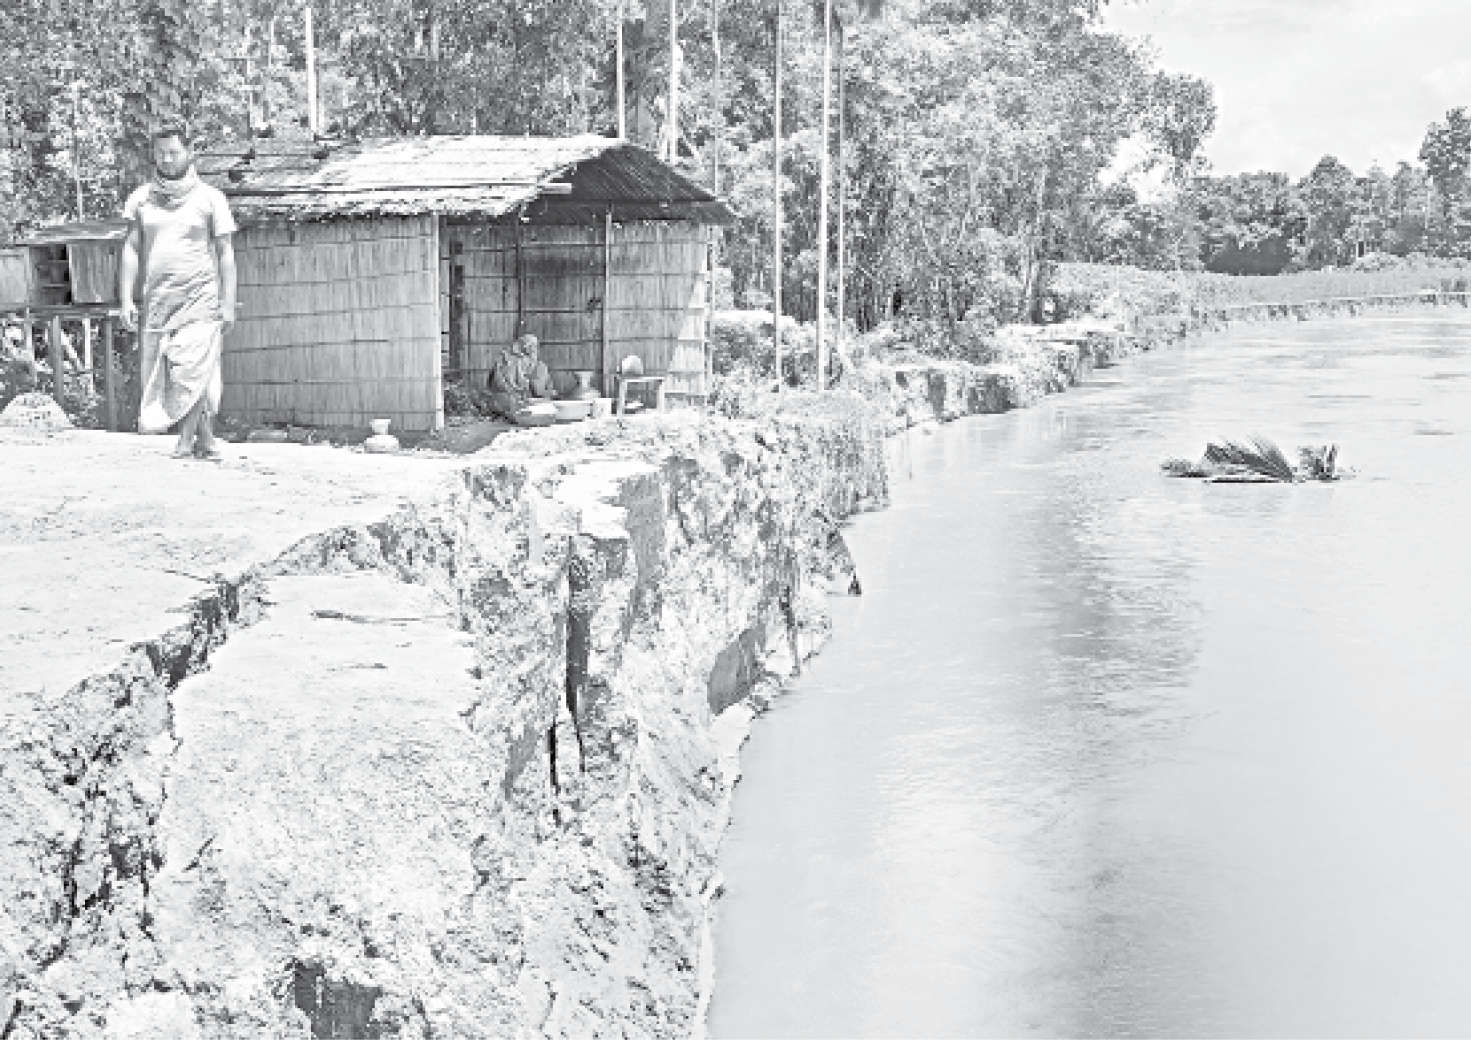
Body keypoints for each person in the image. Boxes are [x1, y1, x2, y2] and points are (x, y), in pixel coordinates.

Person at [118, 122, 238, 459]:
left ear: (190, 152)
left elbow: (226, 253)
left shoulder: (210, 199)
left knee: (191, 369)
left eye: (174, 152)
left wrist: (228, 303)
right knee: (170, 374)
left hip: (200, 299)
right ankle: (207, 439)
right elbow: (131, 248)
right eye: (160, 153)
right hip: (158, 301)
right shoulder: (141, 199)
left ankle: (185, 442)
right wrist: (126, 298)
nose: (167, 159)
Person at [485, 333, 555, 424]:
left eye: (535, 346)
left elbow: (534, 386)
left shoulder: (533, 362)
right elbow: (502, 382)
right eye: (532, 346)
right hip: (506, 395)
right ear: (525, 345)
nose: (534, 349)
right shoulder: (510, 360)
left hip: (517, 396)